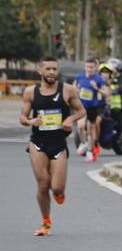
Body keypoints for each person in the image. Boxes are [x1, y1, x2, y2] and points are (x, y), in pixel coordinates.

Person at [19, 57, 85, 236]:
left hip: (58, 144)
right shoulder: (30, 92)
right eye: (47, 69)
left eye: (55, 69)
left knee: (57, 188)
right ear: (40, 71)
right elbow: (22, 117)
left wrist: (70, 119)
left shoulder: (67, 90)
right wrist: (30, 121)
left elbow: (81, 111)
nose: (51, 72)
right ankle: (46, 222)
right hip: (37, 142)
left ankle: (58, 193)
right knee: (43, 184)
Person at [74, 56, 107, 162]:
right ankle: (83, 143)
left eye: (91, 67)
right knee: (80, 126)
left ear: (95, 68)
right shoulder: (80, 77)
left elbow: (105, 93)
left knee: (90, 130)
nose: (89, 69)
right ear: (85, 67)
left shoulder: (99, 79)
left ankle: (89, 151)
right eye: (87, 67)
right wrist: (76, 89)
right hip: (81, 106)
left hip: (93, 107)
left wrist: (96, 88)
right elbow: (73, 87)